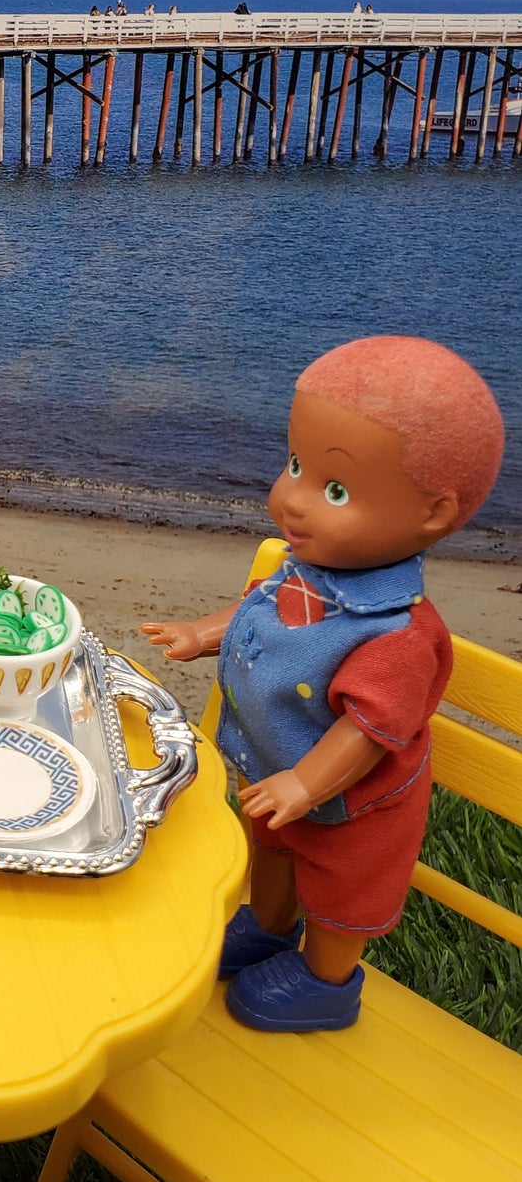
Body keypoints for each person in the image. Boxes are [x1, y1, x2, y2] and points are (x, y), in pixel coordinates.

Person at [141, 337, 503, 1034]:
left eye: (334, 490)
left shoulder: (395, 635)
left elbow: (366, 731)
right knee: (272, 853)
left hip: (348, 807)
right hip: (270, 768)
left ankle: (327, 980)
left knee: (343, 890)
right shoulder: (303, 568)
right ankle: (269, 926)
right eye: (295, 465)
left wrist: (306, 786)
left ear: (432, 514)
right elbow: (257, 609)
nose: (293, 500)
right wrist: (200, 633)